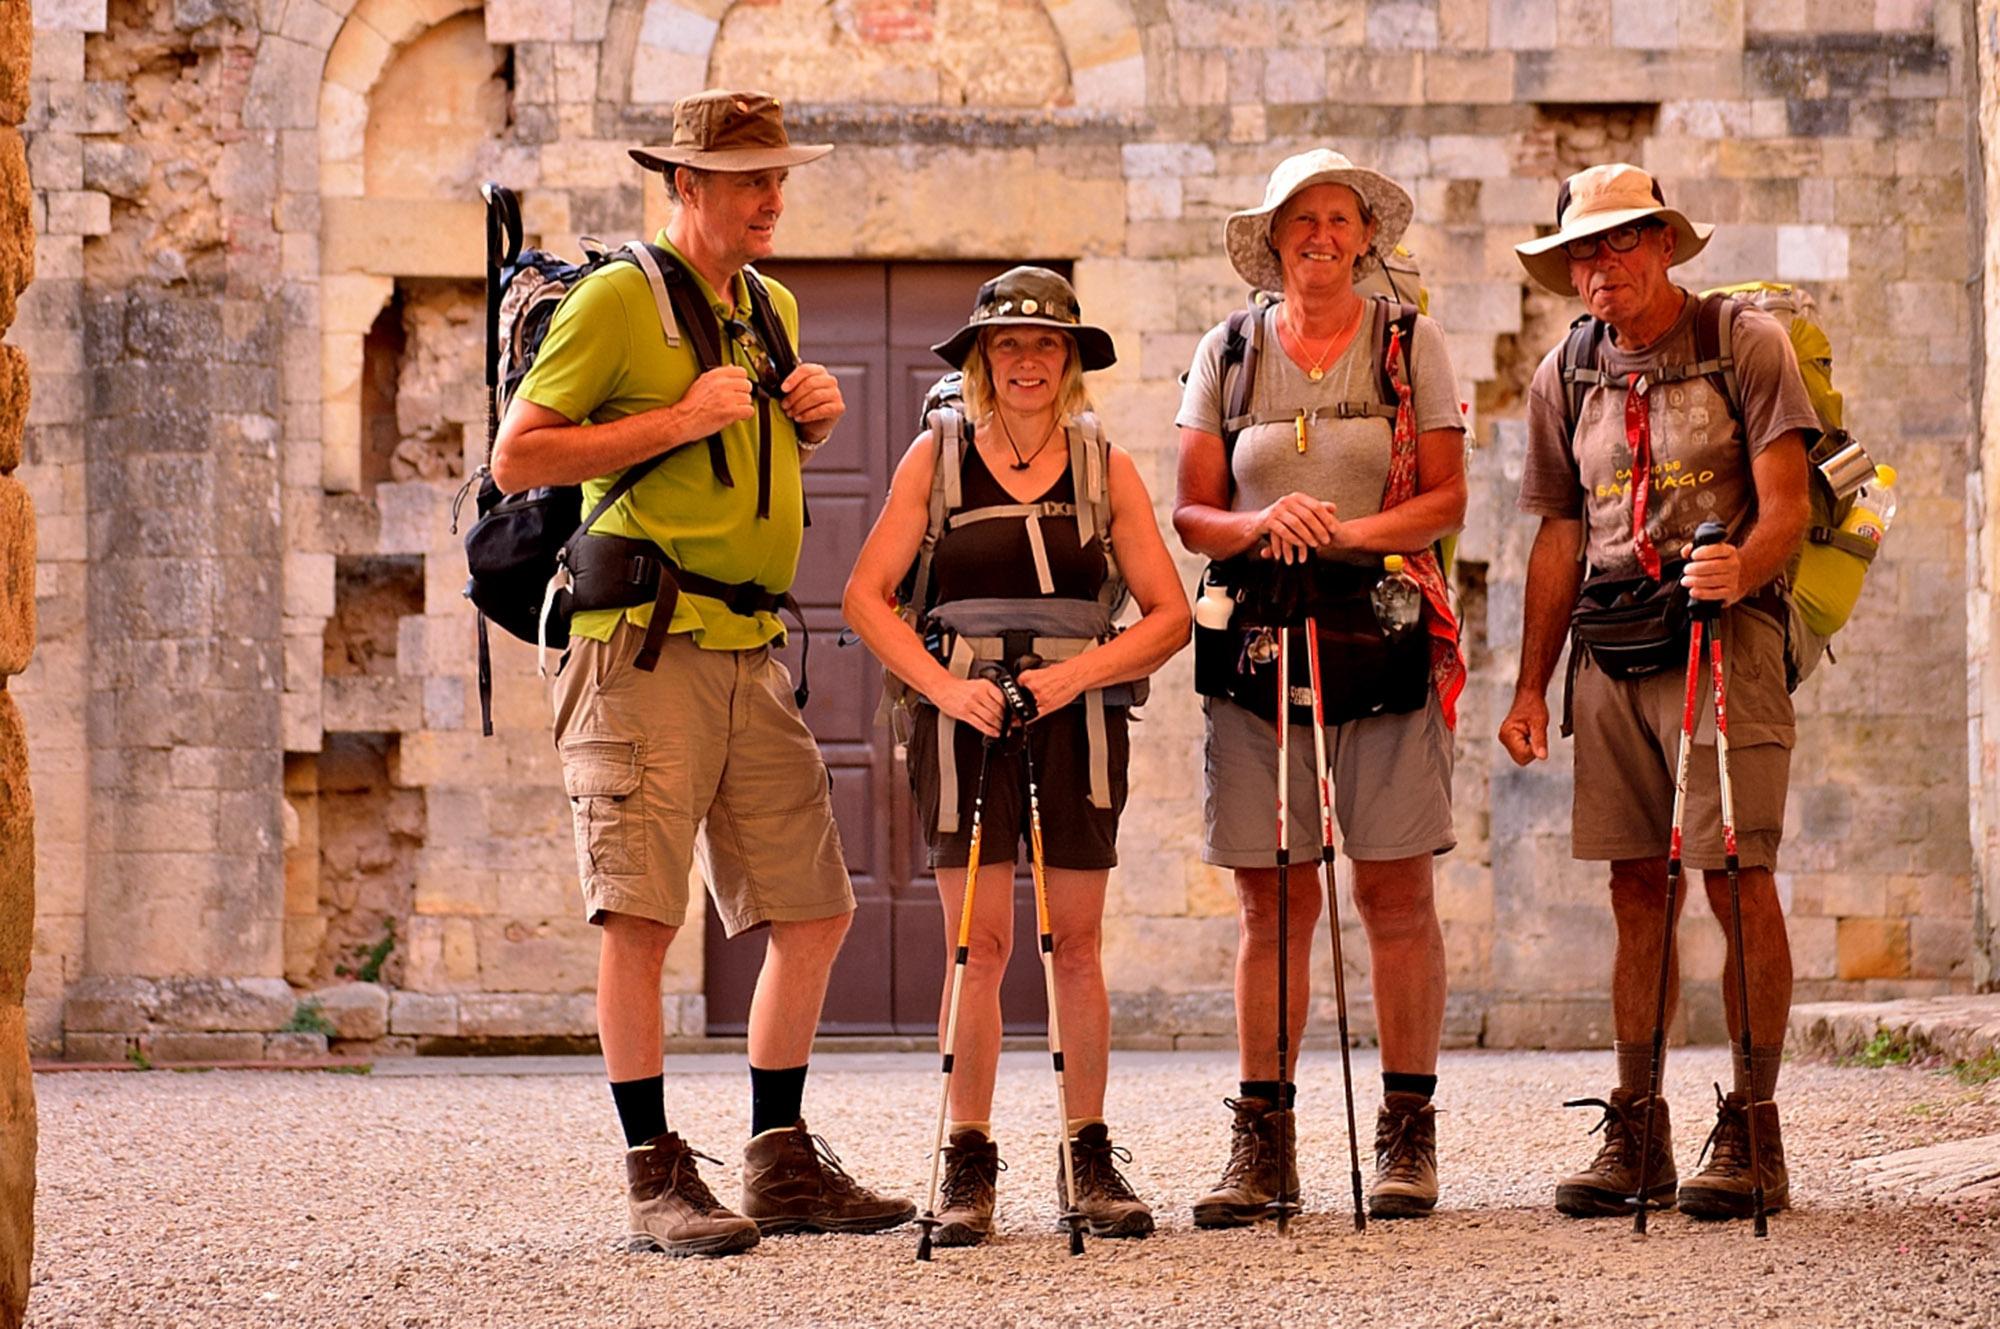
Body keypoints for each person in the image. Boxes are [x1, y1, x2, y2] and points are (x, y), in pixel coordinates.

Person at [490, 89, 912, 1257]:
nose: (770, 196)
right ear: (686, 184)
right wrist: (673, 421)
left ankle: (778, 1164)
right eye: (744, 179)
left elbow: (739, 453)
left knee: (814, 908)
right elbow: (519, 452)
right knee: (638, 916)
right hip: (640, 649)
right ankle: (651, 1179)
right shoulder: (623, 299)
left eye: (778, 176)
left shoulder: (765, 305)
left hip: (749, 649)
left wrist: (807, 422)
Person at [843, 267, 1190, 1247]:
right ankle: (967, 1164)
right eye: (1008, 344)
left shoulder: (1105, 466)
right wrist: (944, 688)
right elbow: (866, 597)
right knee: (980, 946)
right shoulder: (935, 457)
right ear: (981, 359)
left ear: (1070, 359)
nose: (1028, 360)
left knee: (1074, 946)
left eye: (1046, 344)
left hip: (1073, 722)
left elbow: (1166, 619)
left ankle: (1088, 1159)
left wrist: (1074, 680)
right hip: (962, 724)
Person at [1499, 162, 1815, 1221]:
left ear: (1665, 245)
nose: (1601, 266)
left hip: (1723, 643)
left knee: (1734, 880)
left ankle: (1752, 1132)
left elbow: (1784, 503)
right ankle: (1636, 1131)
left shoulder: (1741, 345)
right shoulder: (1565, 370)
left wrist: (1744, 566)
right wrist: (1527, 686)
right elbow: (1555, 531)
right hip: (1609, 646)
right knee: (1635, 891)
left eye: (1621, 242)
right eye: (1582, 251)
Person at [1172, 149, 1468, 1224]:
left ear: (1361, 237)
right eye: (1300, 219)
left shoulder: (1406, 344)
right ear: (1274, 237)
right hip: (1255, 638)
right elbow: (1191, 512)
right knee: (1271, 895)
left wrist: (1341, 532)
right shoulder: (1228, 350)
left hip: (1376, 628)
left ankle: (1404, 1132)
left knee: (1393, 888)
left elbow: (1443, 501)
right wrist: (1262, 523)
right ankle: (1263, 1143)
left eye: (1337, 218)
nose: (1319, 235)